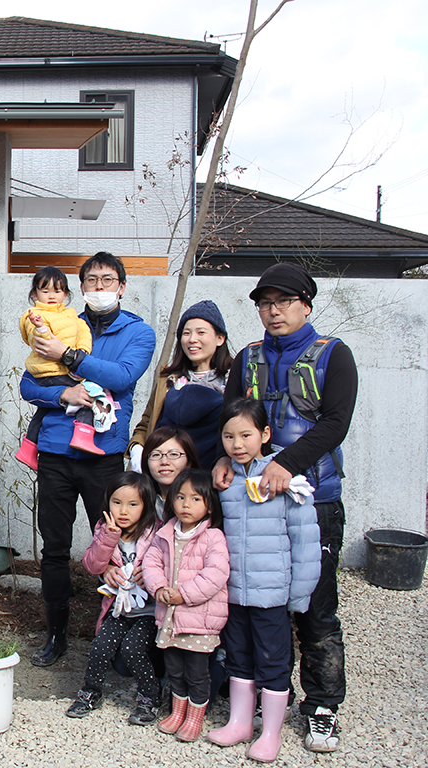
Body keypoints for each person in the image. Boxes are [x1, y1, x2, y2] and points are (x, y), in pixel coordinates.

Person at [213, 262, 356, 753]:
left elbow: (335, 421)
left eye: (283, 302)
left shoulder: (332, 355)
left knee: (315, 603)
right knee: (250, 600)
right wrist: (220, 462)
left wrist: (286, 463)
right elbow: (228, 417)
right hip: (251, 501)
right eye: (264, 304)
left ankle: (321, 705)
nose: (272, 311)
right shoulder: (248, 357)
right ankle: (257, 697)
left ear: (305, 305)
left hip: (311, 497)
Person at [20, 251, 156, 667]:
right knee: (55, 547)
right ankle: (56, 634)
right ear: (81, 287)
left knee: (116, 541)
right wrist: (63, 393)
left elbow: (121, 377)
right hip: (57, 451)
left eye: (107, 280)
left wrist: (69, 356)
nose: (99, 287)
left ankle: (118, 632)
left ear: (121, 286)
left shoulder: (138, 332)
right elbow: (29, 383)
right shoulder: (60, 320)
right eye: (91, 281)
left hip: (104, 453)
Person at [208, 398, 320, 762]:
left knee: (273, 661)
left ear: (265, 435)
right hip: (235, 592)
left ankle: (271, 732)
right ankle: (240, 722)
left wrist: (299, 595)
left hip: (272, 595)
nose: (237, 444)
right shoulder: (224, 482)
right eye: (228, 436)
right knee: (238, 657)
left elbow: (306, 542)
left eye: (245, 435)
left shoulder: (285, 480)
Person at [66, 471, 160, 724]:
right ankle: (90, 692)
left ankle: (149, 696)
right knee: (100, 646)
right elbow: (92, 564)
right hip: (117, 610)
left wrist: (150, 573)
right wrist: (108, 539)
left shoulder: (156, 533)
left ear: (146, 505)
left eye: (133, 504)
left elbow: (168, 565)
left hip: (149, 614)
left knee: (132, 649)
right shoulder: (104, 529)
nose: (123, 511)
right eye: (117, 503)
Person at [142, 470, 229, 742]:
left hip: (199, 621)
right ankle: (177, 712)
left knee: (197, 672)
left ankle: (194, 717)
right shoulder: (165, 533)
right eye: (180, 497)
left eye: (195, 499)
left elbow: (215, 575)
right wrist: (158, 588)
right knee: (175, 668)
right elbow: (151, 563)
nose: (186, 505)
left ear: (209, 505)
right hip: (169, 618)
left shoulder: (213, 537)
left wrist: (184, 595)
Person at [16, 266, 109, 467]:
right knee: (87, 395)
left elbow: (83, 331)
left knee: (43, 410)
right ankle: (83, 435)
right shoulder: (33, 315)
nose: (51, 296)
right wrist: (40, 326)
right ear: (35, 294)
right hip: (49, 370)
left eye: (57, 291)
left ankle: (28, 449)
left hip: (64, 369)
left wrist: (81, 351)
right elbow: (39, 341)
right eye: (45, 290)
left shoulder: (72, 315)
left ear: (65, 294)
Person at [129, 300, 232, 470]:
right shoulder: (169, 379)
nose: (192, 340)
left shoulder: (232, 379)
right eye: (186, 333)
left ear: (220, 338)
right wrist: (137, 448)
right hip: (165, 473)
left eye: (201, 332)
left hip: (211, 474)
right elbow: (147, 422)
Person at [141, 426, 201, 519]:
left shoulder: (203, 500)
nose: (164, 461)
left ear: (189, 462)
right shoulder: (139, 501)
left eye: (174, 454)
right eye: (156, 455)